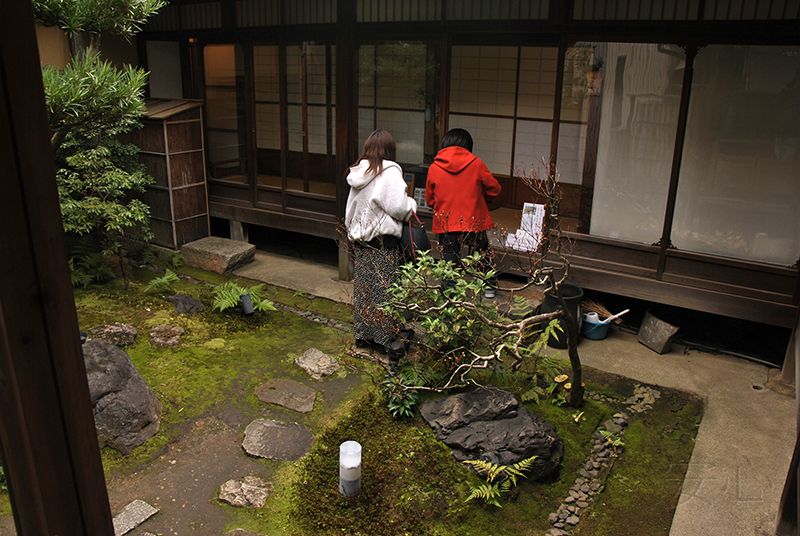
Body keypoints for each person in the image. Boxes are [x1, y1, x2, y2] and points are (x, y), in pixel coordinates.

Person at [345, 129, 417, 362]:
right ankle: (386, 340)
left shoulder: (359, 172)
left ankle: (364, 336)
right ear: (390, 149)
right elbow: (399, 208)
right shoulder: (390, 172)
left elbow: (350, 211)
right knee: (385, 291)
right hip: (383, 241)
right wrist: (412, 204)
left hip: (361, 241)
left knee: (365, 291)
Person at [425, 128, 502, 297]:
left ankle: (451, 299)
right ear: (468, 146)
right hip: (473, 220)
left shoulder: (434, 167)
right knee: (482, 253)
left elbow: (430, 200)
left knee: (450, 261)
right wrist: (481, 201)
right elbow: (494, 189)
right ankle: (488, 286)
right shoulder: (476, 163)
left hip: (447, 223)